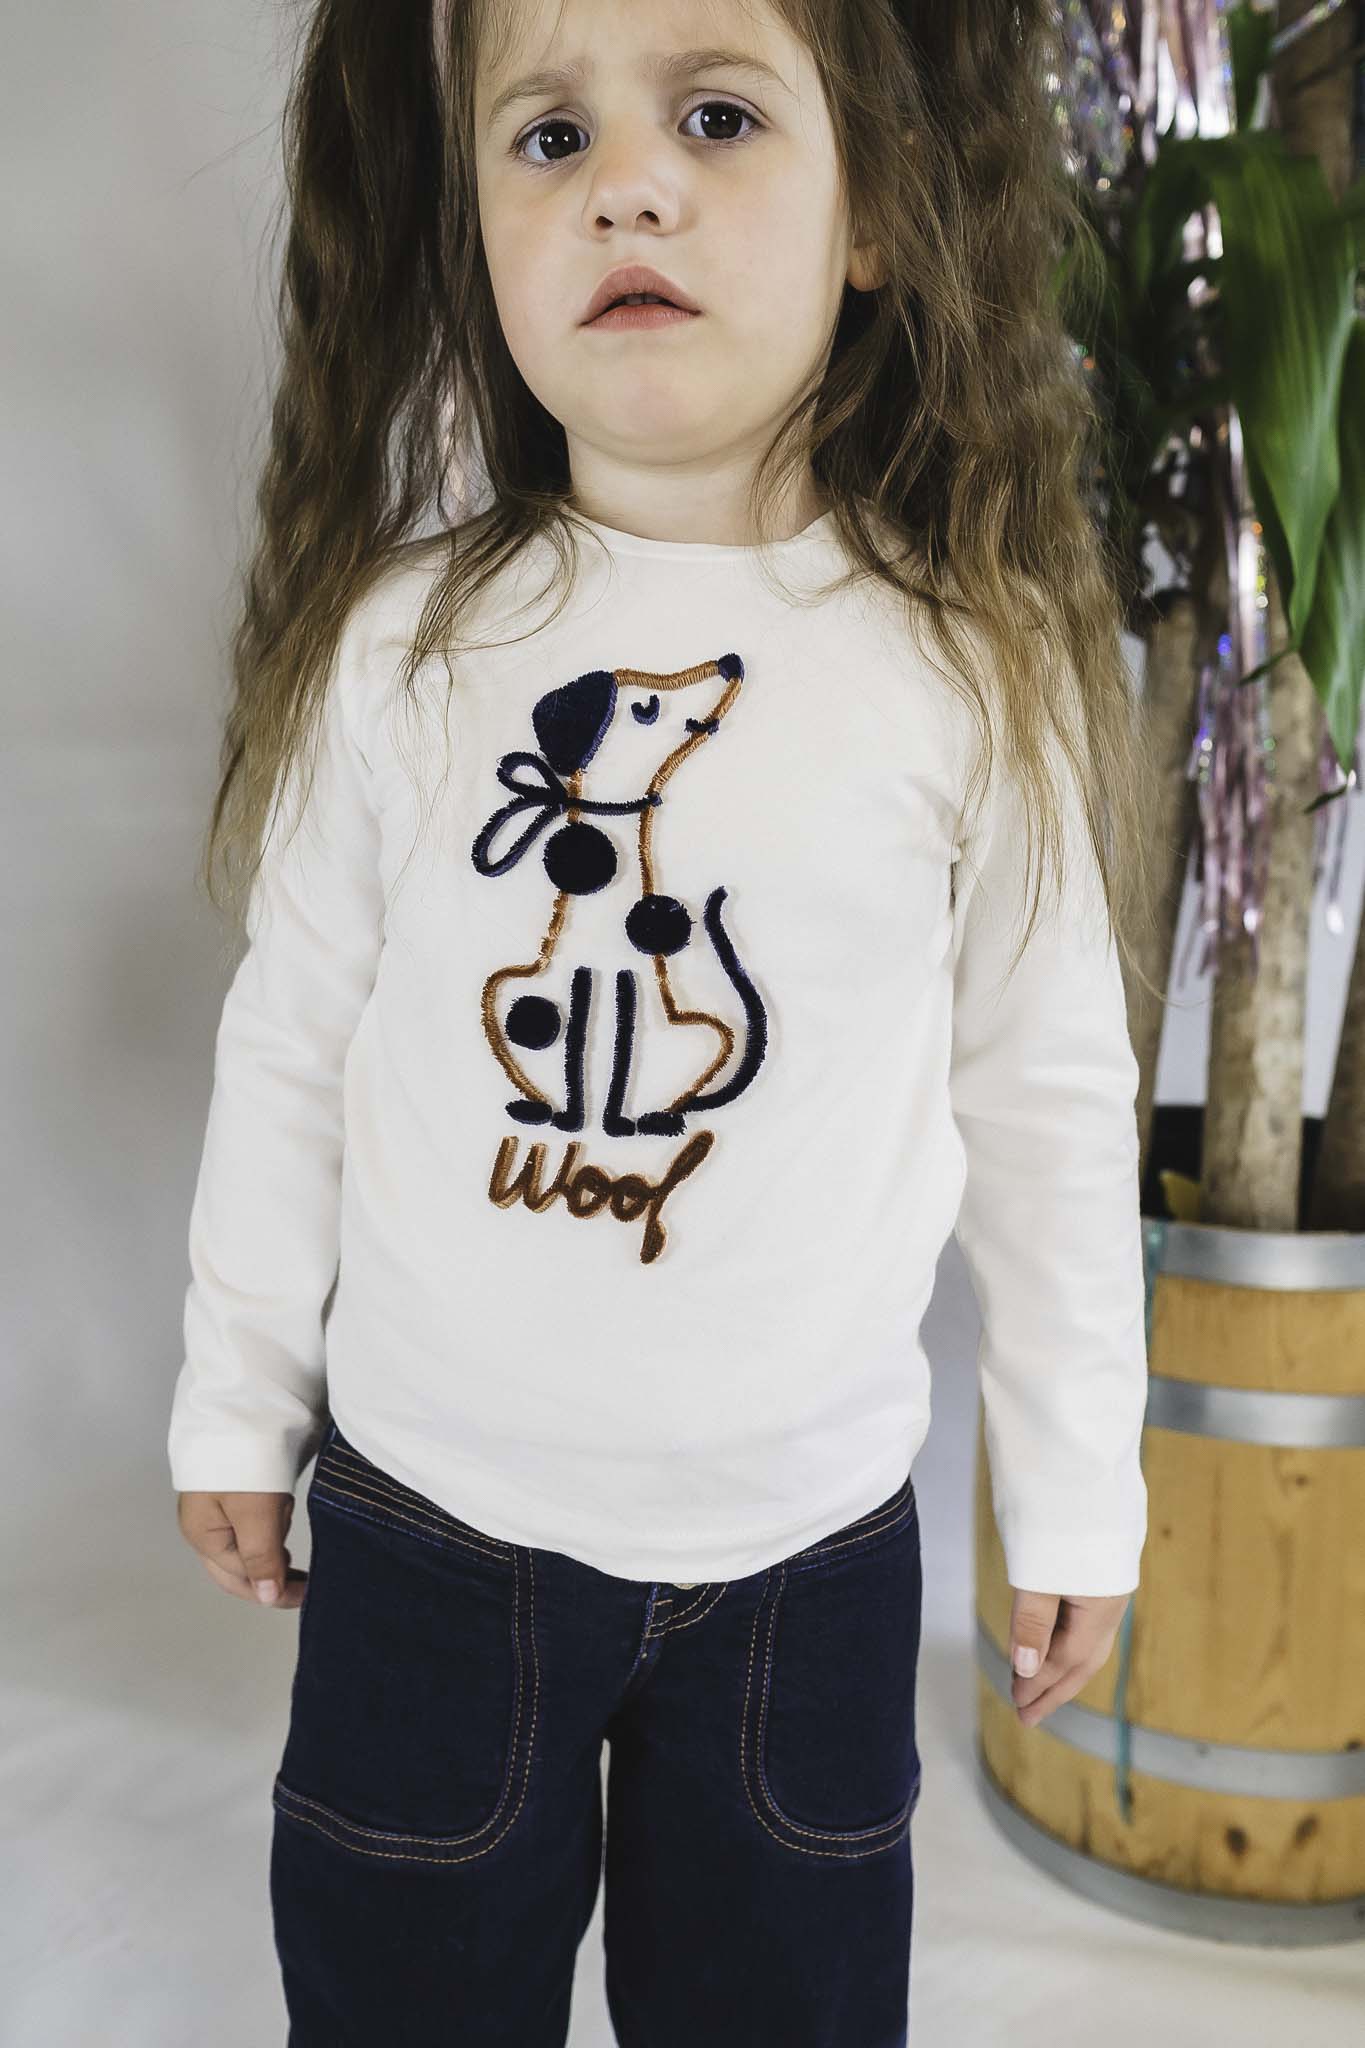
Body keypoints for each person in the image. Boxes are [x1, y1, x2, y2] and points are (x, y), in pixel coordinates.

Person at [169, 0, 1159, 2040]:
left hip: (804, 1566)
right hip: (428, 1529)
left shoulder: (966, 675)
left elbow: (1047, 1102)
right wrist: (232, 1390)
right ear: (478, 232)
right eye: (546, 138)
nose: (625, 182)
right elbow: (293, 1044)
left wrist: (1074, 1483)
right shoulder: (410, 648)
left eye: (714, 115)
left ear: (871, 214)